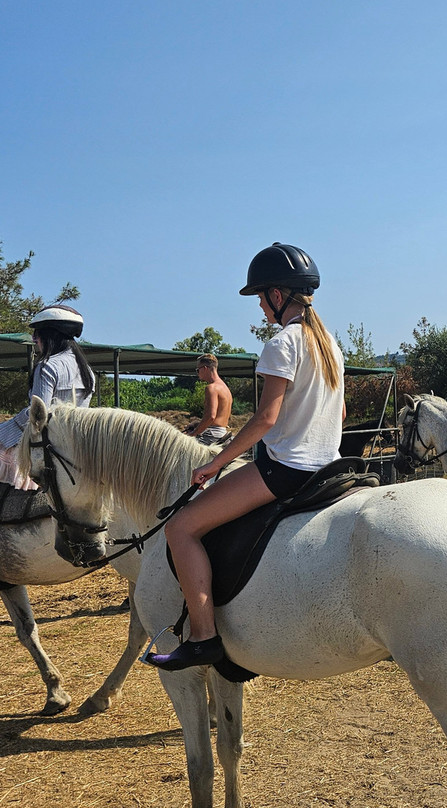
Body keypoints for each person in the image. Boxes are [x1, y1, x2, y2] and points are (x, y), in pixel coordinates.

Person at [148, 242, 345, 670]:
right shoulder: (329, 344)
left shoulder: (283, 343)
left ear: (278, 295)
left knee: (181, 529)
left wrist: (215, 463)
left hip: (287, 469)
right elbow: (340, 412)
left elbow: (265, 419)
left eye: (260, 297)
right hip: (330, 467)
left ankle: (203, 638)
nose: (259, 306)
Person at [0, 305, 94, 570]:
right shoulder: (86, 371)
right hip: (68, 447)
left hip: (31, 445)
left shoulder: (47, 366)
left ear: (51, 335)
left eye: (37, 334)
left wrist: (4, 429)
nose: (34, 340)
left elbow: (38, 413)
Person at [184, 354, 233, 445]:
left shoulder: (211, 388)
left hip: (211, 435)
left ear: (205, 368)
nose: (197, 373)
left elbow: (211, 416)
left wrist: (194, 433)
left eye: (198, 370)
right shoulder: (225, 389)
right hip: (222, 433)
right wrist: (197, 425)